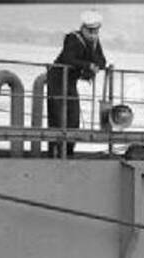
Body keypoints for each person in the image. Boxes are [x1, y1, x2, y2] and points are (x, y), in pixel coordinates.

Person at [46, 10, 107, 157]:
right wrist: (87, 65)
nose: (93, 34)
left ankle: (69, 151)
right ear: (83, 28)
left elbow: (102, 60)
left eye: (96, 31)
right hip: (58, 79)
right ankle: (55, 152)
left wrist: (96, 66)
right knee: (58, 118)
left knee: (73, 119)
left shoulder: (94, 42)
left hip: (71, 82)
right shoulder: (73, 38)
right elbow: (69, 58)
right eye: (90, 31)